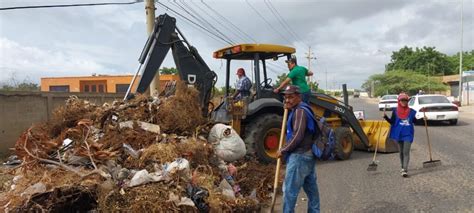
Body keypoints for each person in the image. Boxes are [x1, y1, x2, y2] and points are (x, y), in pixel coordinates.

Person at [277, 85, 320, 212]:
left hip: (300, 156)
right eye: (285, 97)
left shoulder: (300, 111)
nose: (287, 100)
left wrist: (283, 150)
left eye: (291, 97)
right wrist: (289, 109)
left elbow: (298, 136)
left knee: (289, 192)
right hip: (308, 155)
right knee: (312, 191)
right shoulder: (301, 109)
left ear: (299, 97)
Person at [383, 93, 417, 177]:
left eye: (405, 100)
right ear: (399, 101)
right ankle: (402, 167)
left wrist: (423, 119)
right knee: (401, 152)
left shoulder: (411, 111)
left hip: (408, 134)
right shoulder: (395, 111)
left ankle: (405, 169)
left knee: (406, 152)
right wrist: (386, 117)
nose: (404, 102)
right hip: (398, 134)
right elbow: (392, 122)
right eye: (402, 100)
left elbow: (415, 121)